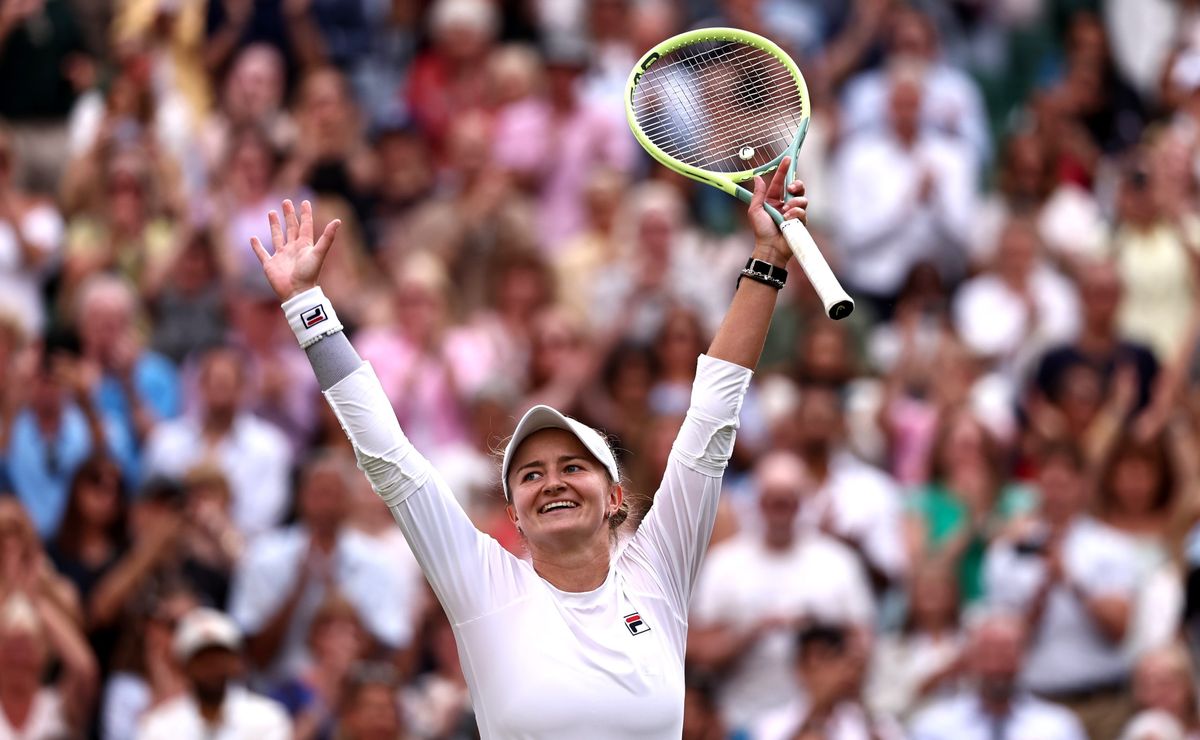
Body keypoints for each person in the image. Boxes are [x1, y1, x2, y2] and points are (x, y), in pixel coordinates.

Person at [247, 147, 809, 736]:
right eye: (531, 474)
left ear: (616, 497)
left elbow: (711, 422)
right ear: (512, 511)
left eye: (573, 465)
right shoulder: (482, 582)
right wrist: (308, 305)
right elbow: (388, 456)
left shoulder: (657, 575)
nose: (553, 482)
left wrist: (768, 256)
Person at [688, 451, 875, 734]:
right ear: (757, 501)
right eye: (771, 501)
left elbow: (863, 645)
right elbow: (698, 650)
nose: (779, 509)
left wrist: (819, 636)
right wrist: (753, 632)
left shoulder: (838, 562)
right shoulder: (724, 563)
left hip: (825, 725)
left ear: (803, 502)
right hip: (741, 719)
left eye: (788, 501)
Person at [908, 611, 1087, 739]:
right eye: (988, 654)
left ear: (1024, 657)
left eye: (1006, 654)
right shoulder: (934, 726)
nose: (996, 666)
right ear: (971, 659)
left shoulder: (1057, 727)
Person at [136, 606, 291, 739]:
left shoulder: (267, 718)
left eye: (219, 657)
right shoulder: (159, 727)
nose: (212, 667)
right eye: (202, 659)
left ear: (235, 662)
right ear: (185, 666)